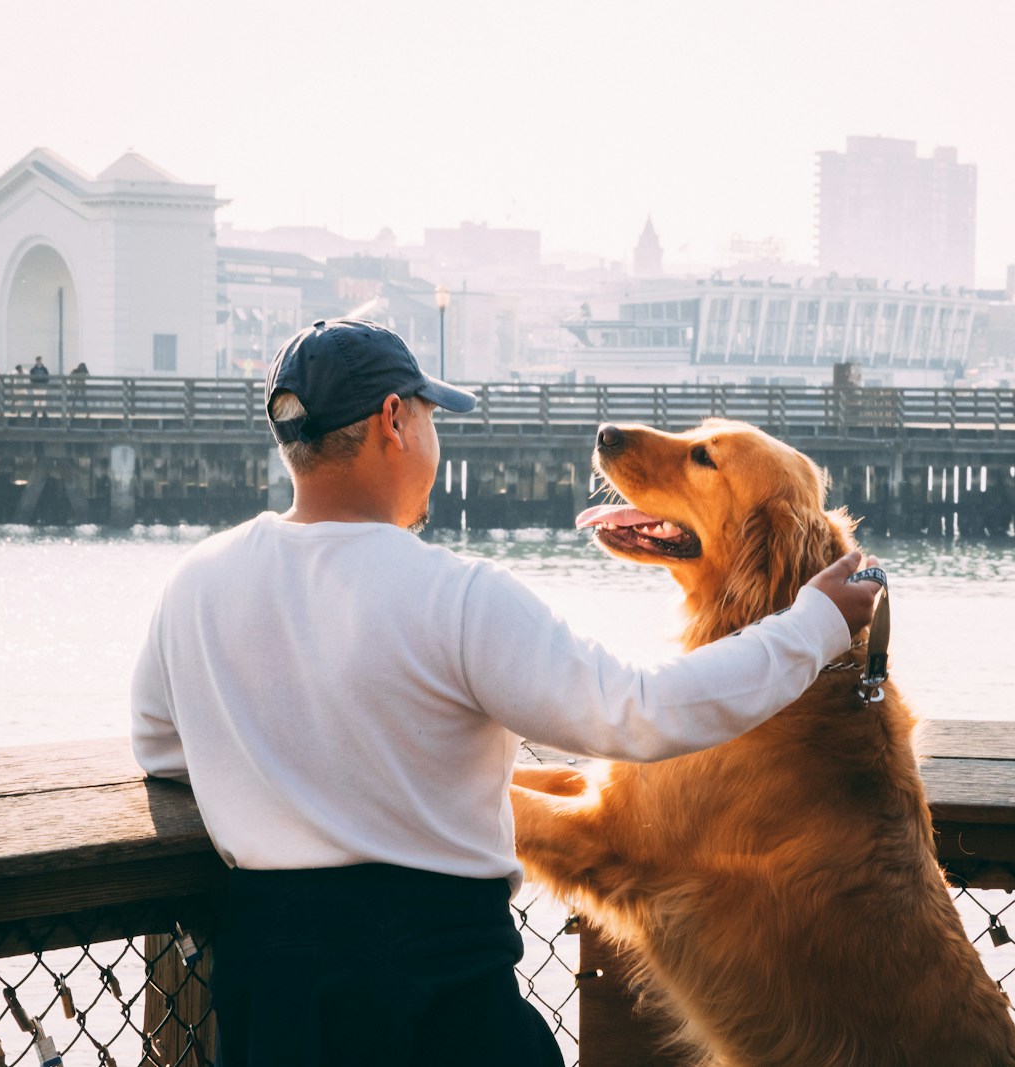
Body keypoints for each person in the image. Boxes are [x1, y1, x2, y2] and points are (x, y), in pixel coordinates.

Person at [130, 318, 883, 1067]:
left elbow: (161, 750)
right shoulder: (455, 595)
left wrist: (285, 773)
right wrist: (813, 625)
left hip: (272, 990)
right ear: (396, 421)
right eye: (429, 416)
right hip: (435, 984)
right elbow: (637, 709)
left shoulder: (194, 583)